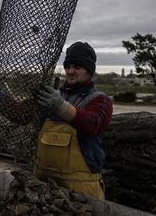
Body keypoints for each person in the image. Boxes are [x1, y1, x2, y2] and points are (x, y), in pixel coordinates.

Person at [32, 41, 113, 199]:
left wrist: (61, 106)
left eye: (77, 67)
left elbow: (92, 124)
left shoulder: (99, 100)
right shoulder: (51, 96)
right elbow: (22, 115)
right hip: (44, 189)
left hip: (82, 191)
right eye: (68, 66)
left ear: (89, 71)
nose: (70, 71)